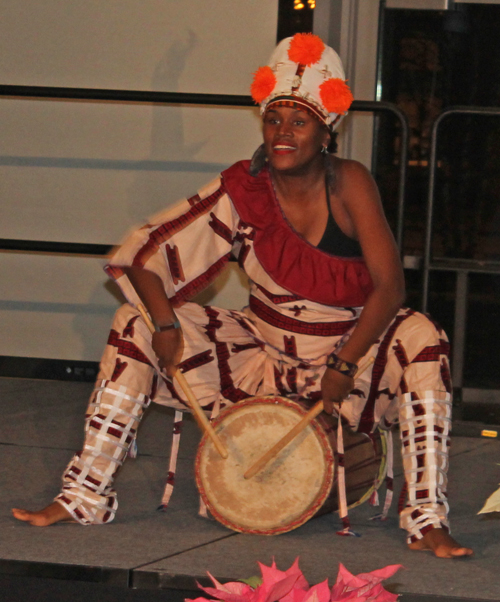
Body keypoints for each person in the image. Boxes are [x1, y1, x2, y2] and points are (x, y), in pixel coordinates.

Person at [13, 33, 472, 559]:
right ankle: (85, 494)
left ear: (327, 131)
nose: (282, 132)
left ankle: (426, 518)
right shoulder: (243, 187)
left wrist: (344, 363)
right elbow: (147, 253)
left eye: (299, 122)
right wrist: (165, 327)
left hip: (353, 355)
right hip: (263, 353)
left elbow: (391, 288)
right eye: (274, 120)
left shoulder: (349, 182)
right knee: (133, 321)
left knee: (423, 335)